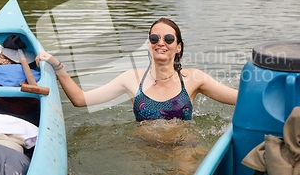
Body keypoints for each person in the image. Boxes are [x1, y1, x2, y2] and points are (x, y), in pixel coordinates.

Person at [35, 18, 238, 120]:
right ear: (149, 45)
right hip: (143, 150)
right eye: (154, 38)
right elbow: (80, 100)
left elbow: (239, 98)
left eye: (168, 39)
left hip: (182, 149)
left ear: (178, 47)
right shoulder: (131, 79)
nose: (161, 43)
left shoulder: (194, 78)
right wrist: (58, 66)